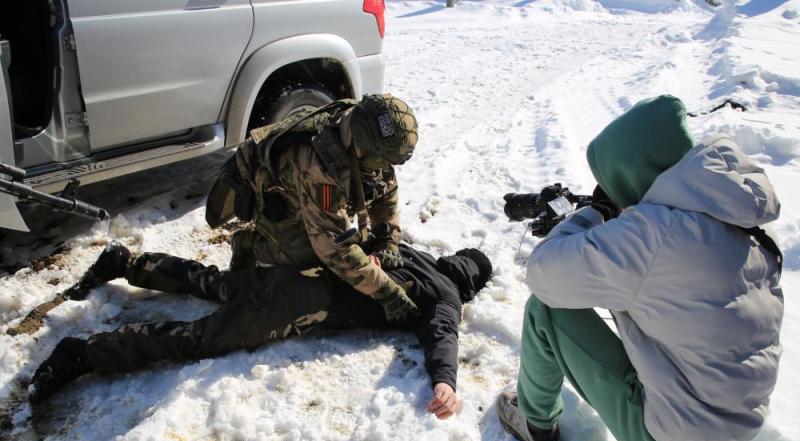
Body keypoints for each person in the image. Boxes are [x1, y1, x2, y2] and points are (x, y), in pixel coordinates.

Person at [495, 95, 783, 441]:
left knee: (546, 311)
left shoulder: (654, 235)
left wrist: (596, 212)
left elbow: (544, 275)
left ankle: (535, 423)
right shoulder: (739, 219)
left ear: (629, 172)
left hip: (676, 437)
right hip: (740, 425)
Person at [29, 241, 493, 420]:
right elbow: (442, 335)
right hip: (302, 303)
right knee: (204, 337)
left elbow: (361, 244)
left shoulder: (411, 252)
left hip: (293, 272)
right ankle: (85, 353)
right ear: (470, 284)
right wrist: (444, 382)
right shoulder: (445, 294)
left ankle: (128, 262)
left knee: (215, 282)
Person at [204, 94, 420, 324]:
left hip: (297, 181)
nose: (385, 168)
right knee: (307, 254)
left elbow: (386, 190)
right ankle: (249, 243)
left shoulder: (368, 138)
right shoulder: (321, 165)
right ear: (361, 145)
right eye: (380, 161)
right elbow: (332, 247)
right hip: (263, 188)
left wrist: (388, 240)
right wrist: (386, 291)